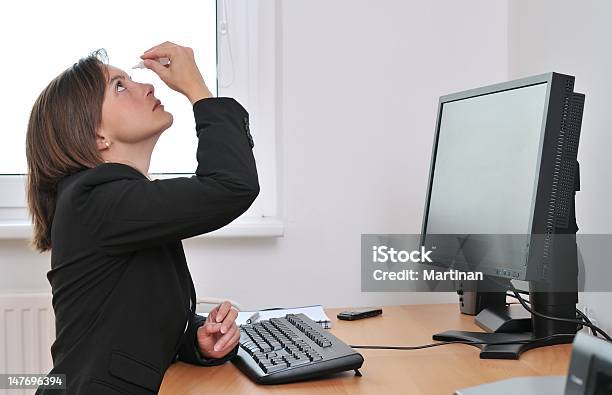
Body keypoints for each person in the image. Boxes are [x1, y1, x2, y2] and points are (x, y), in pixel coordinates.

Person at [26, 41, 259, 394]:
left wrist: (196, 339)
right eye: (119, 86)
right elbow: (232, 185)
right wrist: (196, 89)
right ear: (97, 135)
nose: (147, 86)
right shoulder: (95, 198)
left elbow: (134, 327)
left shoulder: (116, 200)